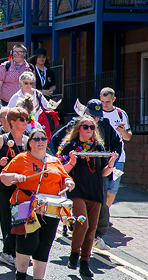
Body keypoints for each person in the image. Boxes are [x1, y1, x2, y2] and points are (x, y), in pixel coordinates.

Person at [0, 128, 75, 280]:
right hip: (25, 206)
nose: (40, 141)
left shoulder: (54, 161)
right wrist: (15, 176)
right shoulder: (22, 158)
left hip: (50, 208)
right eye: (36, 139)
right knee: (27, 240)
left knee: (45, 243)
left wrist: (68, 182)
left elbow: (64, 178)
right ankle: (20, 274)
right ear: (30, 143)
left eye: (43, 139)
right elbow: (3, 177)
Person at [56, 116, 118, 277]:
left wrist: (111, 162)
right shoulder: (70, 146)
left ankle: (84, 262)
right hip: (77, 191)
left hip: (95, 192)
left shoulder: (98, 146)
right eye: (86, 126)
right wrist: (71, 161)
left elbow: (104, 172)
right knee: (81, 223)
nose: (89, 129)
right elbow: (61, 170)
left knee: (91, 230)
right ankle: (74, 254)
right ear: (79, 129)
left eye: (92, 127)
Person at [0, 107, 30, 267]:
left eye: (27, 119)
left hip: (24, 185)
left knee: (23, 217)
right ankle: (7, 252)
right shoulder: (2, 139)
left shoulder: (27, 140)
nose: (26, 122)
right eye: (22, 119)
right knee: (8, 217)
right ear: (12, 122)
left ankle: (18, 251)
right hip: (6, 185)